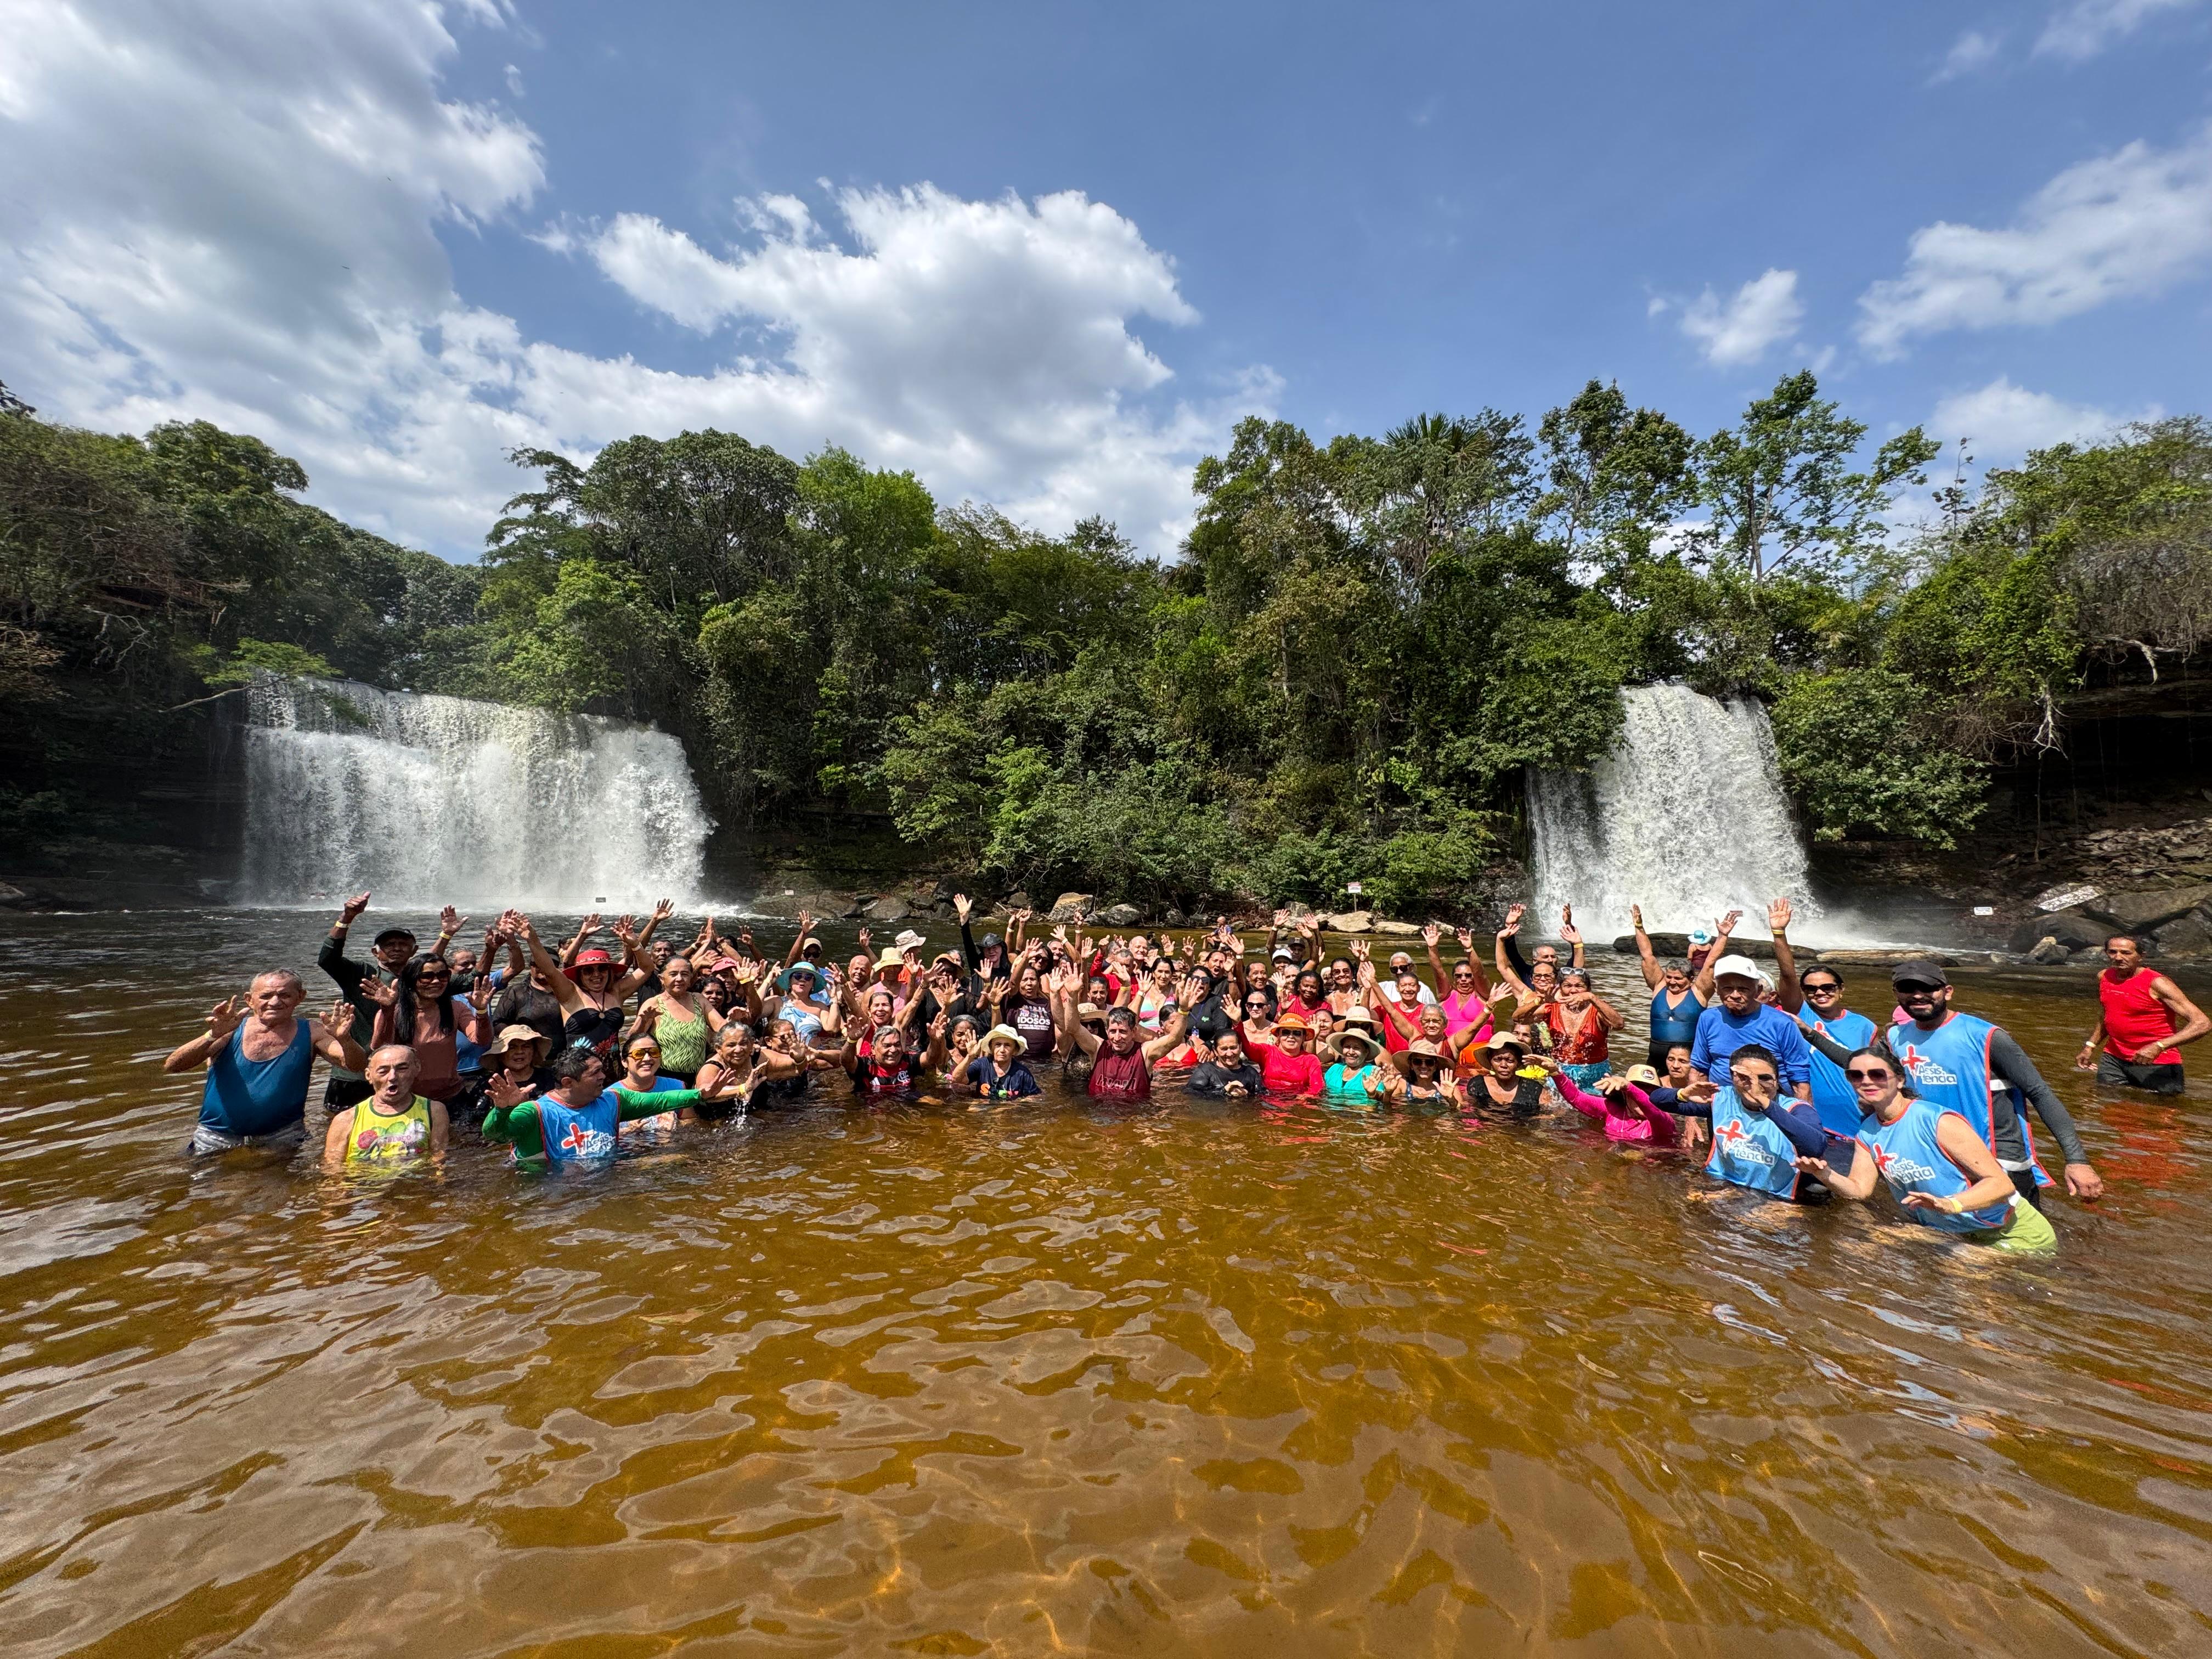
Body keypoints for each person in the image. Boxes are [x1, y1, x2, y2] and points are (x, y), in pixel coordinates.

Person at [1793, 1046, 2059, 1254]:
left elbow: (2002, 1185)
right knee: (1861, 1246)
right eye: (1856, 1076)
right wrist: (1824, 1174)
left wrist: (1949, 1204)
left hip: (2011, 1232)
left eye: (1877, 1074)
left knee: (1962, 1270)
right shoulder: (1867, 1133)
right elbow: (1859, 1190)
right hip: (1953, 1233)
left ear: (1899, 1080)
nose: (1867, 1081)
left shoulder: (1938, 1121)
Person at [1888, 958, 2103, 1206]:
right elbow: (1869, 1083)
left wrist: (2077, 1160)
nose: (1917, 996)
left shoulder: (1986, 1036)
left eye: (1928, 988)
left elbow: (2039, 1093)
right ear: (1896, 994)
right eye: (1907, 989)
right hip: (1940, 1155)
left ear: (1947, 992)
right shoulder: (1896, 1038)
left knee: (2024, 1231)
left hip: (1999, 1160)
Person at [163, 972, 364, 1156]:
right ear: (250, 1000)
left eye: (285, 995)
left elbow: (355, 1065)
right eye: (266, 996)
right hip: (215, 1136)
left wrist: (345, 1040)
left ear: (300, 997)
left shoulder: (313, 1032)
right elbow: (173, 1066)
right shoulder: (230, 1030)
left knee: (284, 1184)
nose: (275, 1002)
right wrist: (211, 1035)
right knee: (200, 1183)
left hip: (283, 1136)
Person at [479, 1048, 740, 1168]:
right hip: (551, 1192)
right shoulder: (535, 1112)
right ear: (569, 1082)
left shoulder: (612, 1100)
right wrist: (502, 1110)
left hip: (606, 1182)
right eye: (595, 1073)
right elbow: (494, 1135)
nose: (604, 1076)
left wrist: (700, 1094)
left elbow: (661, 1101)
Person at [316, 893, 454, 1109]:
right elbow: (328, 959)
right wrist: (346, 918)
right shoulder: (360, 973)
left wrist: (445, 936)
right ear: (375, 952)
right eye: (389, 945)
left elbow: (432, 965)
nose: (397, 948)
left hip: (395, 1074)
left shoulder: (423, 982)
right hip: (354, 1075)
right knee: (341, 1125)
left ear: (414, 951)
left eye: (403, 944)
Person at [1700, 1043, 1833, 1203]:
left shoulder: (1797, 1109)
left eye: (1764, 1078)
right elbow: (1670, 1101)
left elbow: (1816, 1147)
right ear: (1733, 1078)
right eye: (1745, 1078)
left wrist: (1765, 1103)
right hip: (1728, 1185)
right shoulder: (1723, 1098)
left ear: (1777, 1082)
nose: (1755, 1085)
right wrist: (1682, 1094)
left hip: (1777, 1197)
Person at [2078, 934, 2209, 1094]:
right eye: (2113, 952)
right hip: (2113, 1059)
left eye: (2126, 953)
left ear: (2141, 956)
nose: (2118, 957)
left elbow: (2202, 1023)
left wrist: (2158, 1046)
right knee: (2107, 1103)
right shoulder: (2105, 977)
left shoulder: (2158, 983)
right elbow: (2108, 1015)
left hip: (2157, 1063)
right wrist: (2090, 1047)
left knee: (2155, 1109)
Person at [364, 956, 489, 1106]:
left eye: (443, 975)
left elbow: (482, 1040)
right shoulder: (396, 1012)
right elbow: (379, 1049)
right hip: (406, 1099)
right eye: (427, 977)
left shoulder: (456, 1008)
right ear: (411, 981)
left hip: (451, 1096)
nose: (436, 981)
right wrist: (387, 1009)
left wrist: (481, 1012)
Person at [1689, 953, 1813, 1102]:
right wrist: (1695, 1113)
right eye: (1727, 988)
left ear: (1758, 990)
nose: (1735, 995)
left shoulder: (1782, 1023)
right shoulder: (1708, 1019)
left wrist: (1804, 1114)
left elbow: (1800, 1080)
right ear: (1716, 988)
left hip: (1771, 1105)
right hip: (1722, 1104)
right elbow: (1699, 1069)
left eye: (1743, 989)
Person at [323, 1045, 449, 1166]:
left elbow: (439, 1157)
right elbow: (333, 1168)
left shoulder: (434, 1111)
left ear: (417, 1068)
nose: (392, 1077)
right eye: (383, 1071)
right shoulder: (346, 1120)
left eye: (402, 1069)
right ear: (369, 1075)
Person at [1069, 996, 1194, 1102]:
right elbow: (1073, 1028)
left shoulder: (1145, 1053)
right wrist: (1072, 997)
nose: (1117, 1038)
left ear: (1134, 1032)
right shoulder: (1097, 1048)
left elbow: (1174, 1039)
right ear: (1107, 1031)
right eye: (1113, 1031)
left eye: (1123, 1032)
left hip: (1133, 1119)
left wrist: (1183, 1011)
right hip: (1097, 1117)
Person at [1632, 902, 1708, 1070]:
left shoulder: (1698, 992)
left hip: (1686, 1059)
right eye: (1669, 977)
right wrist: (1639, 926)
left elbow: (1710, 964)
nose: (1672, 982)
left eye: (1678, 979)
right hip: (1656, 1058)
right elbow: (1647, 956)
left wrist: (1723, 936)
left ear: (1690, 978)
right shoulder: (1660, 986)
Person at [633, 954, 721, 1084]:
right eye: (673, 974)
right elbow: (632, 1040)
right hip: (663, 1078)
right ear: (662, 979)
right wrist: (643, 1022)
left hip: (697, 1077)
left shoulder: (699, 1000)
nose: (679, 979)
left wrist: (738, 1022)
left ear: (691, 978)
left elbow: (722, 1027)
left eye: (685, 974)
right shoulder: (653, 1003)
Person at [1461, 1034, 1547, 1120]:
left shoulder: (1534, 1090)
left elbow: (1549, 1116)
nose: (1503, 1065)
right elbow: (1465, 1108)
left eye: (1510, 1060)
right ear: (1490, 1061)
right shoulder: (1477, 1085)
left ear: (1518, 1062)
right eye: (1497, 1060)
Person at [1246, 1012, 1328, 1096]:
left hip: (1298, 1101)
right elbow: (1246, 1046)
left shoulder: (1311, 1060)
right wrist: (1238, 1022)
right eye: (1286, 1032)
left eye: (1297, 1033)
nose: (1291, 1036)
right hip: (1267, 1100)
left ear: (1304, 1037)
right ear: (1278, 1035)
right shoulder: (1267, 1052)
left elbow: (1318, 1087)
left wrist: (1306, 1096)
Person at [964, 1024, 1043, 1100]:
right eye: (998, 1045)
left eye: (1007, 1045)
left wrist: (1016, 1103)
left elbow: (1036, 1097)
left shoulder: (1023, 1074)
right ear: (991, 1048)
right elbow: (959, 1080)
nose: (1002, 1050)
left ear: (1015, 1050)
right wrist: (970, 1057)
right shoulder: (981, 1065)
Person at [1383, 1039, 1459, 1108]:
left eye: (1429, 1062)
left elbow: (1460, 1111)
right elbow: (1387, 1109)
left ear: (1436, 1065)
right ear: (1411, 1065)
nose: (1424, 1066)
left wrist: (1451, 1099)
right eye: (1418, 1062)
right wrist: (1388, 1093)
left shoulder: (1449, 1086)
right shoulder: (1402, 1085)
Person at [1189, 1029, 1265, 1097]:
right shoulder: (1205, 1071)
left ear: (1240, 1047)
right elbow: (1192, 1094)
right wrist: (1224, 1091)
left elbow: (1262, 1096)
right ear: (1215, 1050)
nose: (1229, 1054)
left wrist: (1247, 1094)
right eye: (1224, 1049)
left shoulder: (1251, 1073)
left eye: (1233, 1048)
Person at [1322, 1025, 1387, 1104]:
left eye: (1356, 1048)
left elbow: (1381, 1100)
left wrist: (1372, 1094)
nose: (1351, 1052)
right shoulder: (1334, 1069)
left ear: (1366, 1052)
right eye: (1347, 1047)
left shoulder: (1373, 1072)